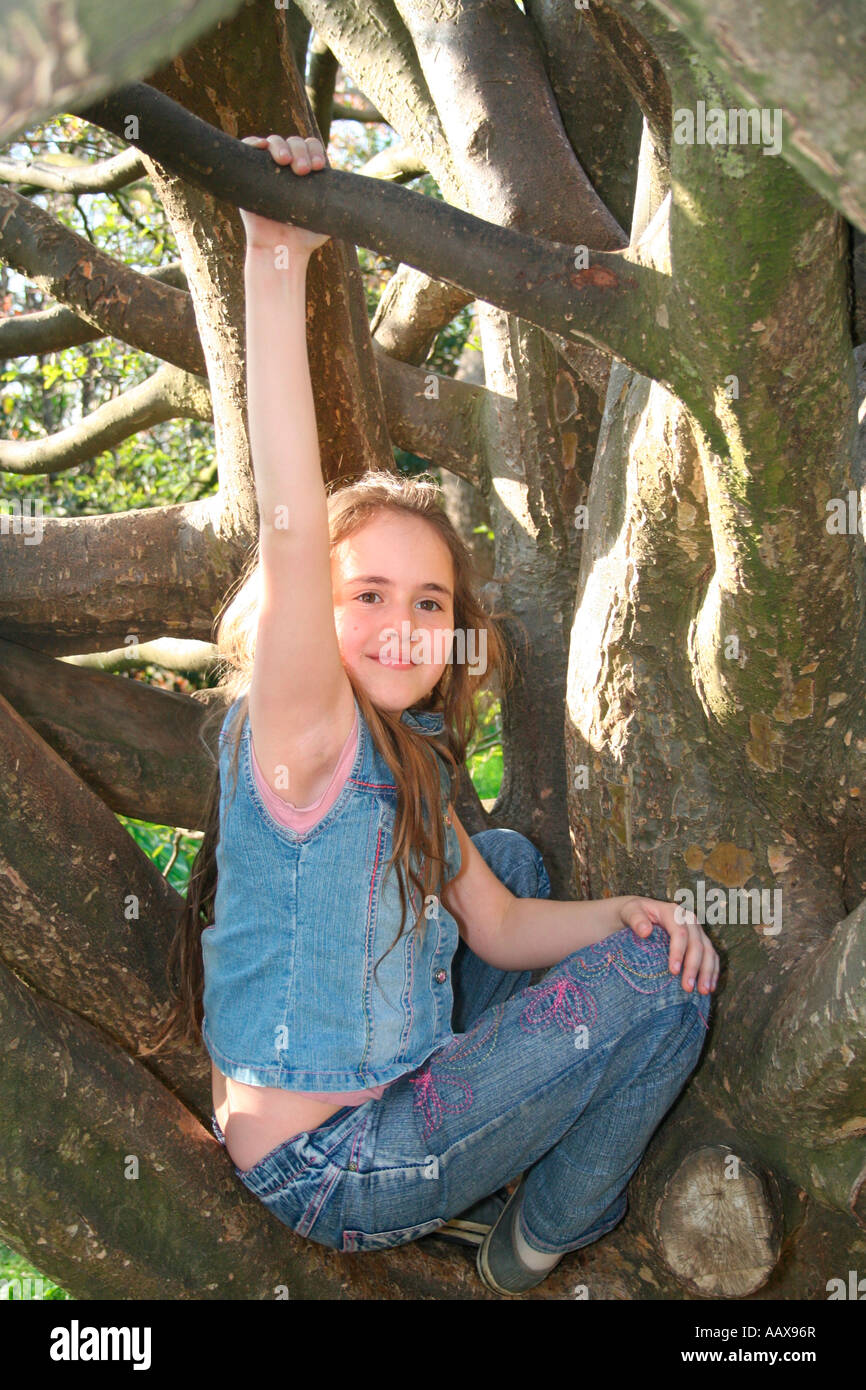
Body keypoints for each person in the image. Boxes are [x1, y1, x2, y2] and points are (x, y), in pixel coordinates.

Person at [144, 132, 719, 1297]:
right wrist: (272, 257)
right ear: (310, 610)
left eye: (429, 600)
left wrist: (628, 913)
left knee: (509, 861)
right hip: (337, 1163)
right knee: (662, 993)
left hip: (395, 1087)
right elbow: (296, 522)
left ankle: (517, 1151)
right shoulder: (301, 723)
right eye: (366, 596)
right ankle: (546, 1228)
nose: (401, 622)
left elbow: (500, 928)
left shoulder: (401, 759)